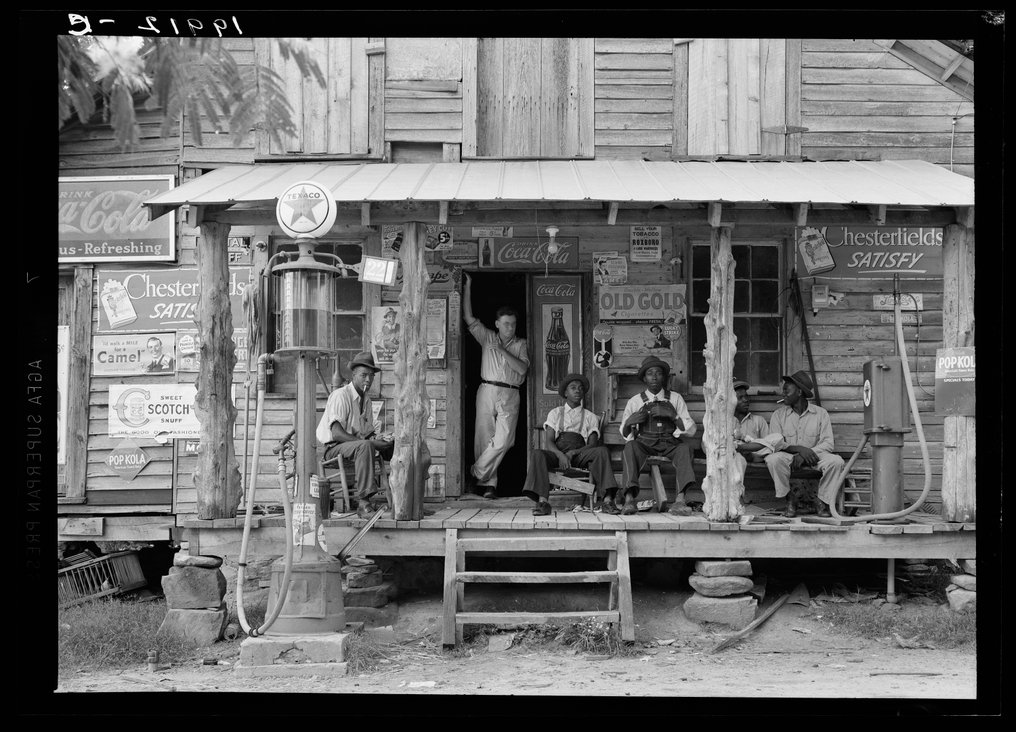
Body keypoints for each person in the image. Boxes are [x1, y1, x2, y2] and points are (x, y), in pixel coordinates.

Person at [463, 272, 530, 499]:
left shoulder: (521, 344)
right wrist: (468, 286)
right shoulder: (487, 336)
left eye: (513, 324)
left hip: (511, 392)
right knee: (484, 437)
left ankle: (476, 472)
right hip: (487, 389)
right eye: (506, 324)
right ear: (497, 324)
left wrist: (502, 350)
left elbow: (522, 369)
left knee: (504, 440)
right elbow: (469, 317)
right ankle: (489, 485)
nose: (510, 328)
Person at [522, 373, 618, 516]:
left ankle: (608, 501)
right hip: (558, 454)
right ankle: (543, 502)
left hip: (580, 454)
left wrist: (573, 453)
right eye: (573, 388)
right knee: (537, 454)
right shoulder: (555, 413)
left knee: (602, 450)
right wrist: (560, 455)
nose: (578, 390)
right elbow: (548, 441)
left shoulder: (590, 416)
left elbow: (592, 444)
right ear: (565, 393)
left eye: (580, 388)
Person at [316, 351, 395, 519]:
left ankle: (405, 497)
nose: (368, 380)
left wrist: (380, 439)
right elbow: (337, 434)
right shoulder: (340, 395)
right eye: (364, 375)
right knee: (365, 446)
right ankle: (364, 503)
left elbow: (368, 433)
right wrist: (368, 442)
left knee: (395, 445)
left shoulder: (366, 399)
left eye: (371, 376)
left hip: (356, 447)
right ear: (353, 375)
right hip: (333, 448)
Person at [617, 356, 697, 516]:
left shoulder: (675, 398)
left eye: (658, 373)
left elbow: (690, 430)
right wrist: (628, 423)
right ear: (644, 378)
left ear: (664, 377)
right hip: (645, 443)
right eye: (649, 373)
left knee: (685, 449)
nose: (654, 377)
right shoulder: (635, 401)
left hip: (669, 443)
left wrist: (673, 415)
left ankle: (680, 501)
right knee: (630, 447)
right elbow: (626, 435)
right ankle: (629, 500)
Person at [764, 370, 844, 518]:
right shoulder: (778, 415)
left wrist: (809, 452)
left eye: (787, 389)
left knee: (836, 462)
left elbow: (828, 443)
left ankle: (822, 501)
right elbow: (774, 444)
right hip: (789, 458)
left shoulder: (821, 414)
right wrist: (800, 450)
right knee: (772, 460)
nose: (783, 393)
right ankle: (790, 500)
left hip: (815, 457)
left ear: (799, 392)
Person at [731, 378, 784, 473]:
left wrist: (751, 453)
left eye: (746, 396)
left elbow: (769, 447)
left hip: (755, 455)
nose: (746, 400)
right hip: (733, 457)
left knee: (778, 437)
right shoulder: (725, 423)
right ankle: (739, 450)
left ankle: (741, 449)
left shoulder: (758, 420)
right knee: (736, 456)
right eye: (740, 398)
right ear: (730, 401)